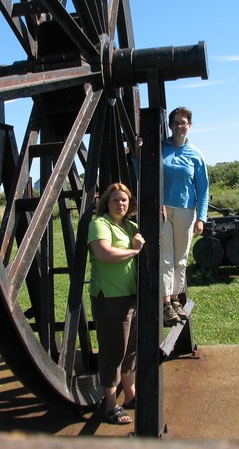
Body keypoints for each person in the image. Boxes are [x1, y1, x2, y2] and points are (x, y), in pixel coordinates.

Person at [88, 182, 145, 425]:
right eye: (115, 200)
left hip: (132, 296)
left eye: (124, 200)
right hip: (109, 297)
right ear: (106, 203)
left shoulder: (131, 227)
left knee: (131, 350)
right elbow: (104, 254)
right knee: (113, 352)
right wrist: (134, 252)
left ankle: (130, 395)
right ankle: (110, 405)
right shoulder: (99, 224)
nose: (120, 204)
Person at [161, 107, 209, 326]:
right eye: (176, 122)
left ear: (189, 126)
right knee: (165, 258)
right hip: (161, 211)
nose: (180, 126)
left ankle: (176, 299)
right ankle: (165, 305)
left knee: (180, 259)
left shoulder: (196, 154)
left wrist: (201, 217)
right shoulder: (161, 149)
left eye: (184, 122)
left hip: (186, 212)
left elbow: (203, 188)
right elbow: (141, 169)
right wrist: (136, 152)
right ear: (169, 125)